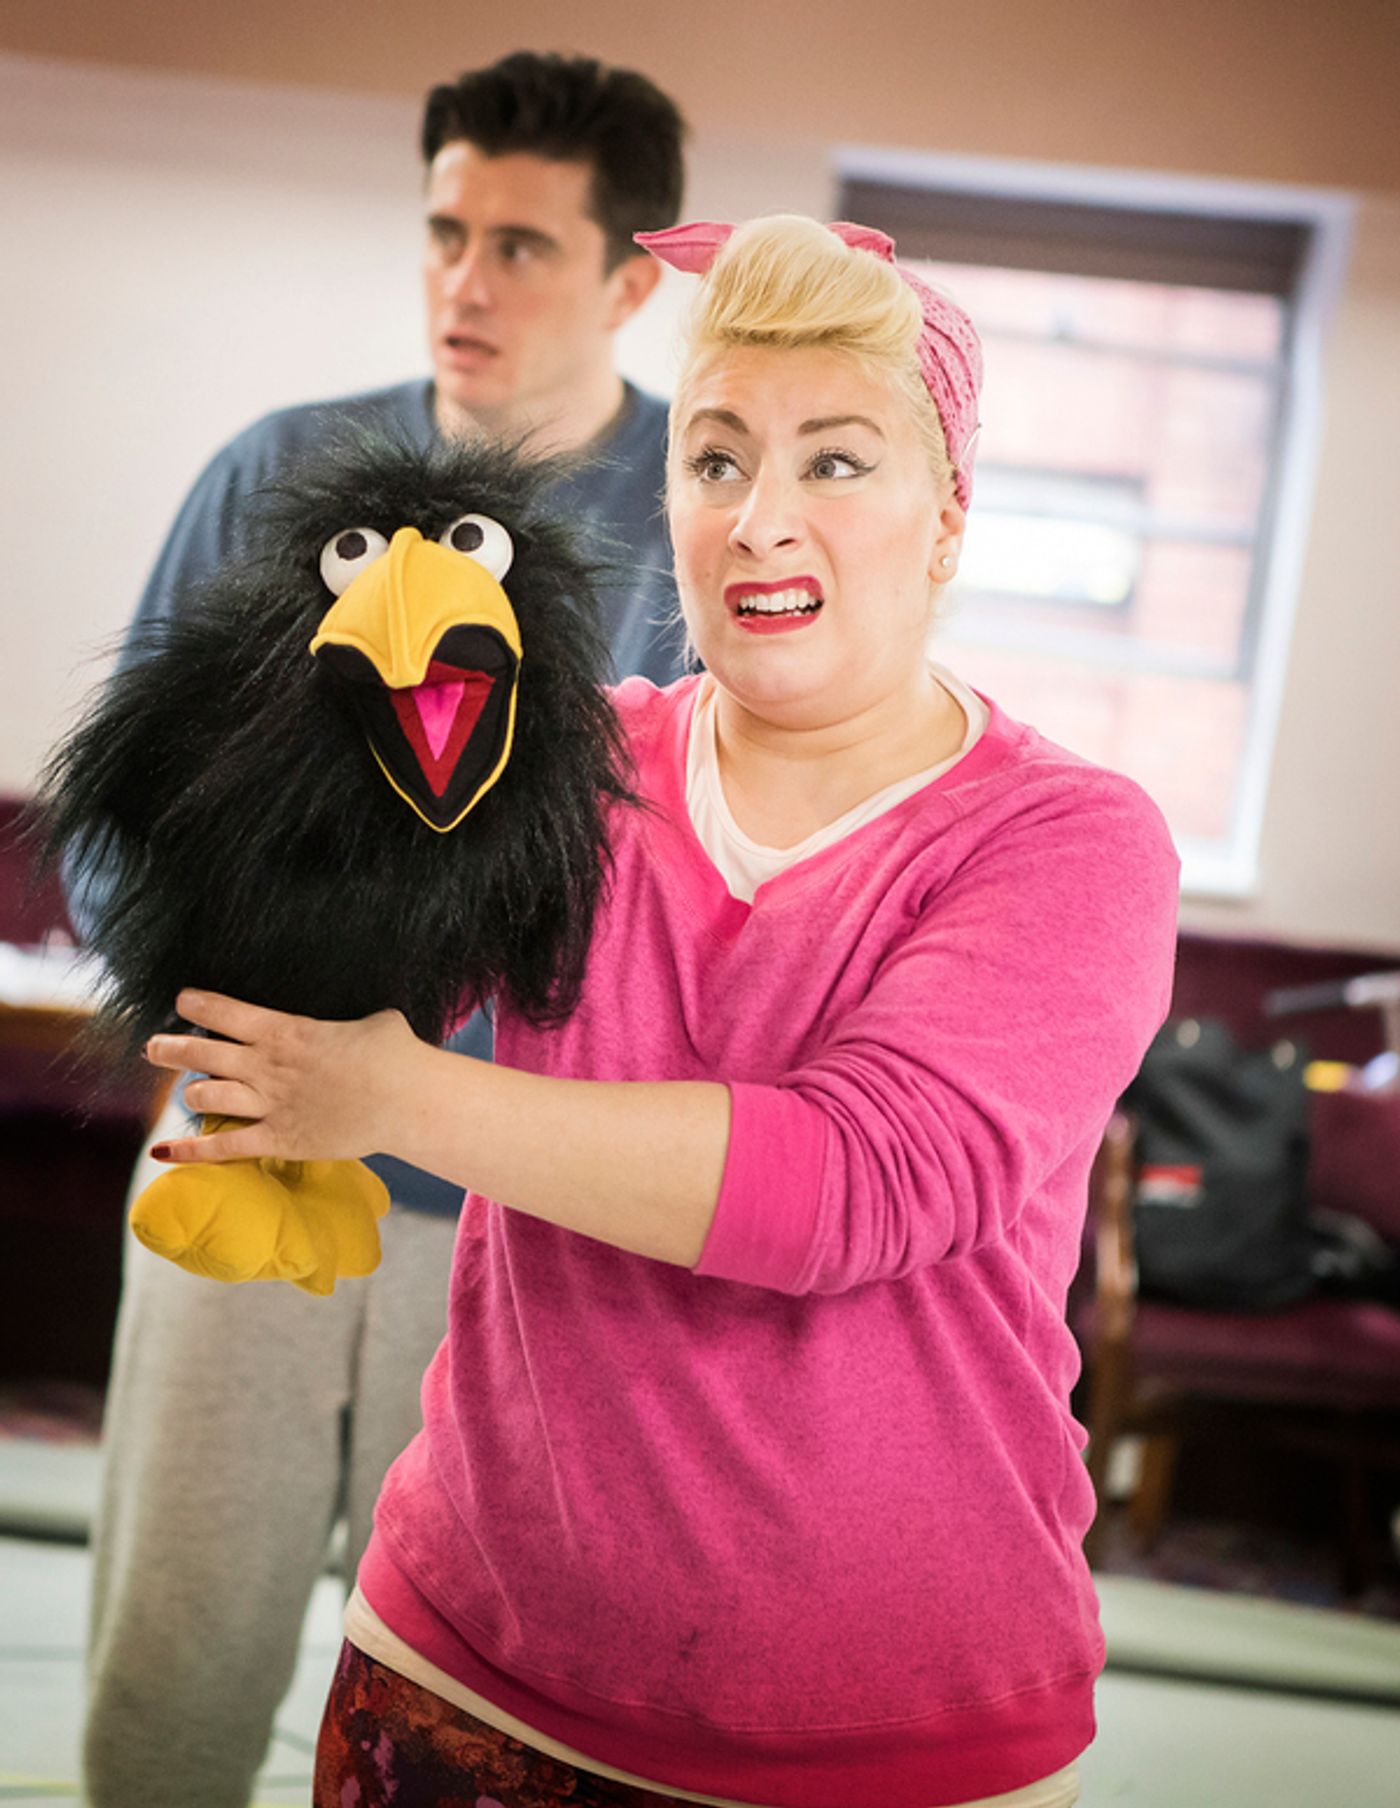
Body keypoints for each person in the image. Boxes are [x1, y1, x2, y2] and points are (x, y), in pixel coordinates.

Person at [144, 215, 1181, 1808]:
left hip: (888, 1733)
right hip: (459, 1673)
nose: (762, 521)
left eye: (836, 462)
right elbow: (321, 896)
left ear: (950, 511)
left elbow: (858, 1185)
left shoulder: (1066, 843)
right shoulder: (567, 762)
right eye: (713, 460)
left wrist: (391, 1099)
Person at [81, 51, 688, 1808]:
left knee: (450, 1706)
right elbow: (125, 810)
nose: (464, 282)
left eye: (522, 246)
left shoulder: (682, 525)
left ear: (633, 277)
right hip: (238, 1148)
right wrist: (206, 1054)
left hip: (517, 1220)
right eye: (443, 231)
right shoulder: (282, 478)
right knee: (171, 1663)